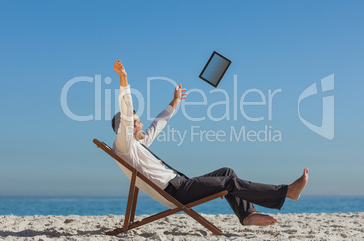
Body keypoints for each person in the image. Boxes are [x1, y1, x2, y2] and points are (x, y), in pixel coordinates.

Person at [111, 60, 309, 227]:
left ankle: (247, 215)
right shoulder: (124, 146)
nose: (141, 123)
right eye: (137, 122)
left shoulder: (138, 145)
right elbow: (127, 114)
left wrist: (175, 101)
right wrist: (124, 78)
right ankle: (286, 192)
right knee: (229, 183)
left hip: (181, 184)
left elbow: (158, 124)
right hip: (175, 191)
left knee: (227, 173)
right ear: (125, 129)